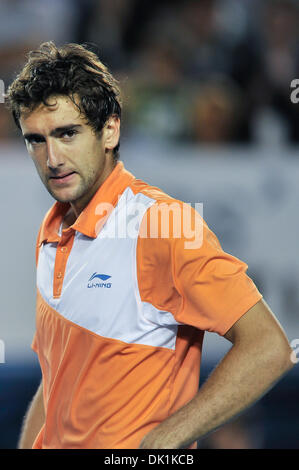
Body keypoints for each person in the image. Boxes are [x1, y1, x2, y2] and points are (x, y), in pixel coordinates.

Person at [6, 41, 293, 450]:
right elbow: (54, 378)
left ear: (110, 130)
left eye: (67, 133)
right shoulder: (52, 229)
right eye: (36, 140)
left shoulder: (161, 224)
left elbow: (269, 347)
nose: (52, 157)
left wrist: (161, 442)